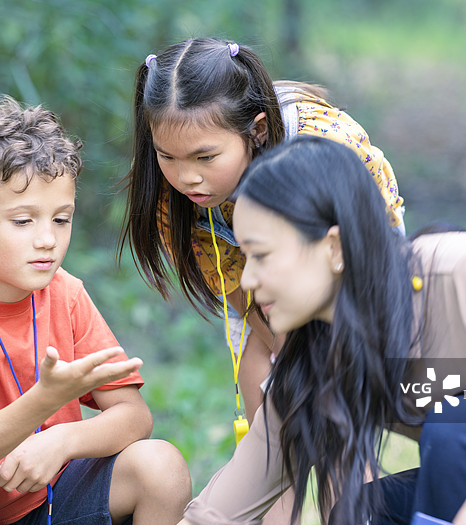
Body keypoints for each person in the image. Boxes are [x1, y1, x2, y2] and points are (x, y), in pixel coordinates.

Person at [171, 135, 466, 525]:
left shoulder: (463, 275)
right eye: (245, 257)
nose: (247, 280)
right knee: (373, 511)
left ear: (335, 248)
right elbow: (214, 519)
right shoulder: (318, 354)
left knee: (458, 425)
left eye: (262, 256)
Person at [0, 95, 191, 525]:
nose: (47, 240)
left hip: (44, 502)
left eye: (61, 219)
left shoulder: (65, 294)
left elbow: (134, 417)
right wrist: (45, 401)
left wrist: (61, 441)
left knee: (161, 467)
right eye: (23, 221)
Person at [120, 35, 403, 443]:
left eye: (205, 157)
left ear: (257, 131)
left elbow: (367, 251)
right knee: (261, 367)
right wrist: (280, 343)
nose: (186, 177)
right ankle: (270, 484)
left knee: (343, 406)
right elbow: (237, 288)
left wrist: (323, 354)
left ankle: (355, 490)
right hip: (259, 286)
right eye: (168, 157)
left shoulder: (326, 152)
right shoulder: (170, 194)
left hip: (354, 260)